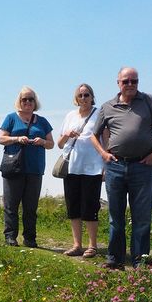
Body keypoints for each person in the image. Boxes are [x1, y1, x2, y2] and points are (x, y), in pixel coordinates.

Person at [91, 67, 152, 269]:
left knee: (141, 218)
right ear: (118, 83)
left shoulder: (149, 101)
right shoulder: (107, 107)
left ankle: (139, 261)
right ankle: (115, 260)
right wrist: (104, 154)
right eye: (126, 81)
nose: (130, 85)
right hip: (115, 166)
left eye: (134, 81)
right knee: (116, 217)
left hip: (142, 166)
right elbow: (93, 135)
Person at [0, 87, 54, 247]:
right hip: (13, 167)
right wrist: (16, 139)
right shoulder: (10, 118)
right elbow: (1, 139)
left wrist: (42, 142)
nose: (28, 102)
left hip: (35, 169)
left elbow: (51, 144)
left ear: (35, 102)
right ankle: (10, 236)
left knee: (31, 206)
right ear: (19, 102)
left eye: (31, 99)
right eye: (24, 99)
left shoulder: (42, 121)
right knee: (11, 204)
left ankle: (30, 238)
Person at [57, 83, 104, 258]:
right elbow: (60, 144)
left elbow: (105, 139)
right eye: (80, 95)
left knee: (90, 206)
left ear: (92, 97)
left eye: (86, 95)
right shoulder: (70, 116)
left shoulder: (99, 114)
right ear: (76, 98)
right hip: (72, 166)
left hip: (93, 167)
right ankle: (77, 244)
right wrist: (67, 134)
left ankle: (92, 246)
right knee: (73, 206)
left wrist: (105, 165)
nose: (83, 98)